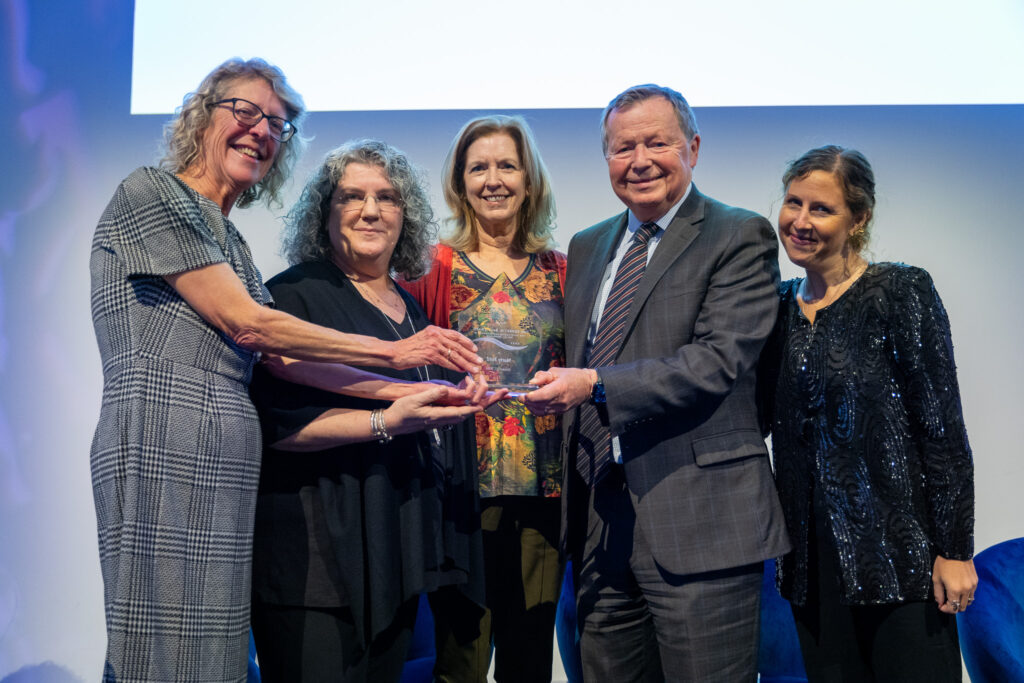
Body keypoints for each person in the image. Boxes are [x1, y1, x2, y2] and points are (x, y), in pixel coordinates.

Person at [89, 59, 481, 682]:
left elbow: (290, 362)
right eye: (244, 111)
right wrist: (394, 355)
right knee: (160, 657)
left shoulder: (229, 238)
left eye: (277, 123)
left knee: (213, 662)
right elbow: (250, 325)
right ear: (199, 114)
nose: (261, 131)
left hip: (228, 467)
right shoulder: (152, 193)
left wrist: (419, 394)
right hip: (166, 443)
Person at [524, 84, 791, 681]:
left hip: (702, 518)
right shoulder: (588, 245)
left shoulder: (737, 235)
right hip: (600, 521)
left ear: (692, 148)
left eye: (657, 142)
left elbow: (717, 362)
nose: (639, 160)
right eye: (622, 148)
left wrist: (593, 383)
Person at [249, 139, 490, 682]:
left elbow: (420, 411)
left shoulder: (410, 305)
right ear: (324, 213)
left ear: (406, 216)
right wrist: (386, 421)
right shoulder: (293, 298)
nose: (371, 211)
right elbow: (276, 427)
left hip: (394, 553)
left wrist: (464, 398)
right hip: (317, 564)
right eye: (352, 197)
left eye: (387, 198)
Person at [764, 145, 976, 682]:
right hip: (810, 568)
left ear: (859, 219)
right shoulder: (777, 307)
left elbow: (942, 429)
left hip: (900, 562)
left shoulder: (901, 290)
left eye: (821, 209)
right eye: (793, 203)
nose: (800, 222)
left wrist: (955, 551)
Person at [401, 115, 567, 682]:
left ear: (529, 178)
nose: (493, 179)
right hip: (460, 493)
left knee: (529, 664)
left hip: (544, 494)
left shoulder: (563, 270)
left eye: (507, 165)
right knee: (461, 662)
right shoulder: (430, 268)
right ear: (460, 181)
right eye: (479, 167)